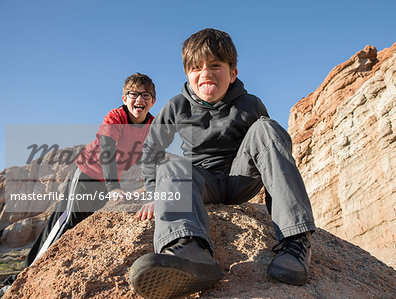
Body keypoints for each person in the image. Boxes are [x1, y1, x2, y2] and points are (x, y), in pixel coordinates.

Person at [130, 28, 316, 299]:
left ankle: (295, 242)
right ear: (187, 75)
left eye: (215, 65)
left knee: (267, 128)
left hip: (240, 179)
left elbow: (269, 151)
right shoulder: (177, 106)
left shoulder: (249, 104)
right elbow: (152, 149)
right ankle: (189, 250)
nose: (205, 73)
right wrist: (152, 193)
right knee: (171, 166)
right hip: (202, 182)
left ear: (233, 73)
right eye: (196, 67)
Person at [0, 73, 156, 297]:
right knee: (64, 223)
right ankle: (16, 281)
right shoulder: (115, 117)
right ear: (124, 98)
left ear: (153, 101)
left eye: (145, 95)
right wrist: (114, 187)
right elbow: (108, 152)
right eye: (133, 94)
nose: (139, 99)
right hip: (87, 174)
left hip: (106, 183)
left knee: (79, 227)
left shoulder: (152, 125)